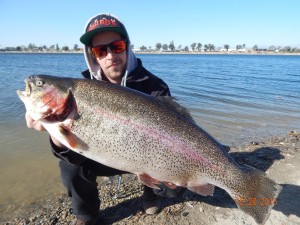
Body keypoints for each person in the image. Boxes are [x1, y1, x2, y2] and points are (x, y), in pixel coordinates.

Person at [25, 13, 184, 225]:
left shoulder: (155, 86)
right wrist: (56, 134)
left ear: (127, 47)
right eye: (101, 50)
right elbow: (70, 153)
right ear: (93, 56)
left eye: (116, 47)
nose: (110, 56)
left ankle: (151, 193)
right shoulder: (82, 91)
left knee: (175, 187)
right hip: (106, 155)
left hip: (149, 156)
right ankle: (86, 214)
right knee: (69, 165)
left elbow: (178, 130)